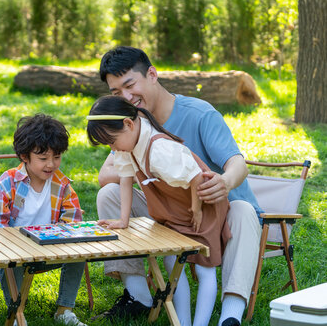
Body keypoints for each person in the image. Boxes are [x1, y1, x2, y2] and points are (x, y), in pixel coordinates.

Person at [94, 46, 263, 326]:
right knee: (109, 194)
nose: (126, 97)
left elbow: (238, 165)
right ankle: (139, 296)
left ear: (152, 74)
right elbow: (106, 174)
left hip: (219, 210)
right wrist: (151, 173)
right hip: (172, 212)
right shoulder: (131, 124)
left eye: (129, 85)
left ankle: (230, 314)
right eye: (116, 93)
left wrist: (223, 182)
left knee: (244, 209)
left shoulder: (199, 114)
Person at [87, 95, 232, 325]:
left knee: (205, 269)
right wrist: (123, 220)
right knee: (172, 263)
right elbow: (125, 179)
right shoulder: (128, 147)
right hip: (173, 210)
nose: (111, 148)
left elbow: (195, 178)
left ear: (128, 124)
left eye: (111, 141)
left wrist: (196, 210)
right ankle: (182, 322)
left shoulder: (159, 149)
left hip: (202, 206)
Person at [0, 114, 86, 326]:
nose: (51, 164)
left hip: (51, 248)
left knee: (79, 252)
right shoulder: (9, 181)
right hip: (17, 250)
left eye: (56, 157)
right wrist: (19, 244)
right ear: (24, 156)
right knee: (11, 261)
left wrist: (60, 233)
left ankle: (64, 310)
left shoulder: (62, 184)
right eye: (43, 158)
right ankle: (16, 312)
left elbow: (73, 219)